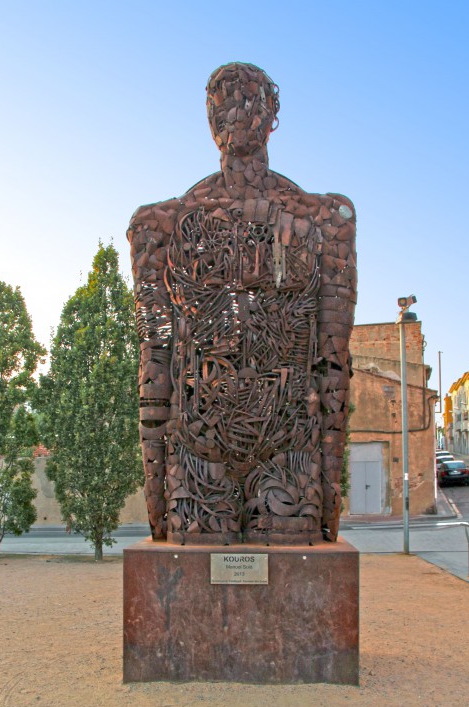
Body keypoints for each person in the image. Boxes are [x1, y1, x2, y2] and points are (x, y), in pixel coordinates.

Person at [128, 62, 357, 545]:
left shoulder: (325, 220)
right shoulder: (162, 225)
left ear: (271, 112)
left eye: (245, 98)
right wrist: (156, 486)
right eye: (219, 103)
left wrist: (330, 479)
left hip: (288, 450)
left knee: (290, 566)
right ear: (208, 120)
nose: (232, 111)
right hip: (197, 450)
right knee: (198, 565)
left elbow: (334, 360)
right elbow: (155, 354)